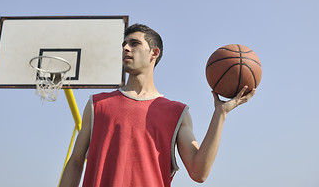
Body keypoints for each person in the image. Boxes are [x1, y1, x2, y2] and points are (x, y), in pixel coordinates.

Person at [59, 24, 255, 187]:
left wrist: (220, 114)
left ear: (154, 53)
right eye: (124, 45)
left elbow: (199, 172)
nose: (126, 48)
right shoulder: (97, 104)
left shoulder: (177, 112)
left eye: (134, 44)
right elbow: (76, 162)